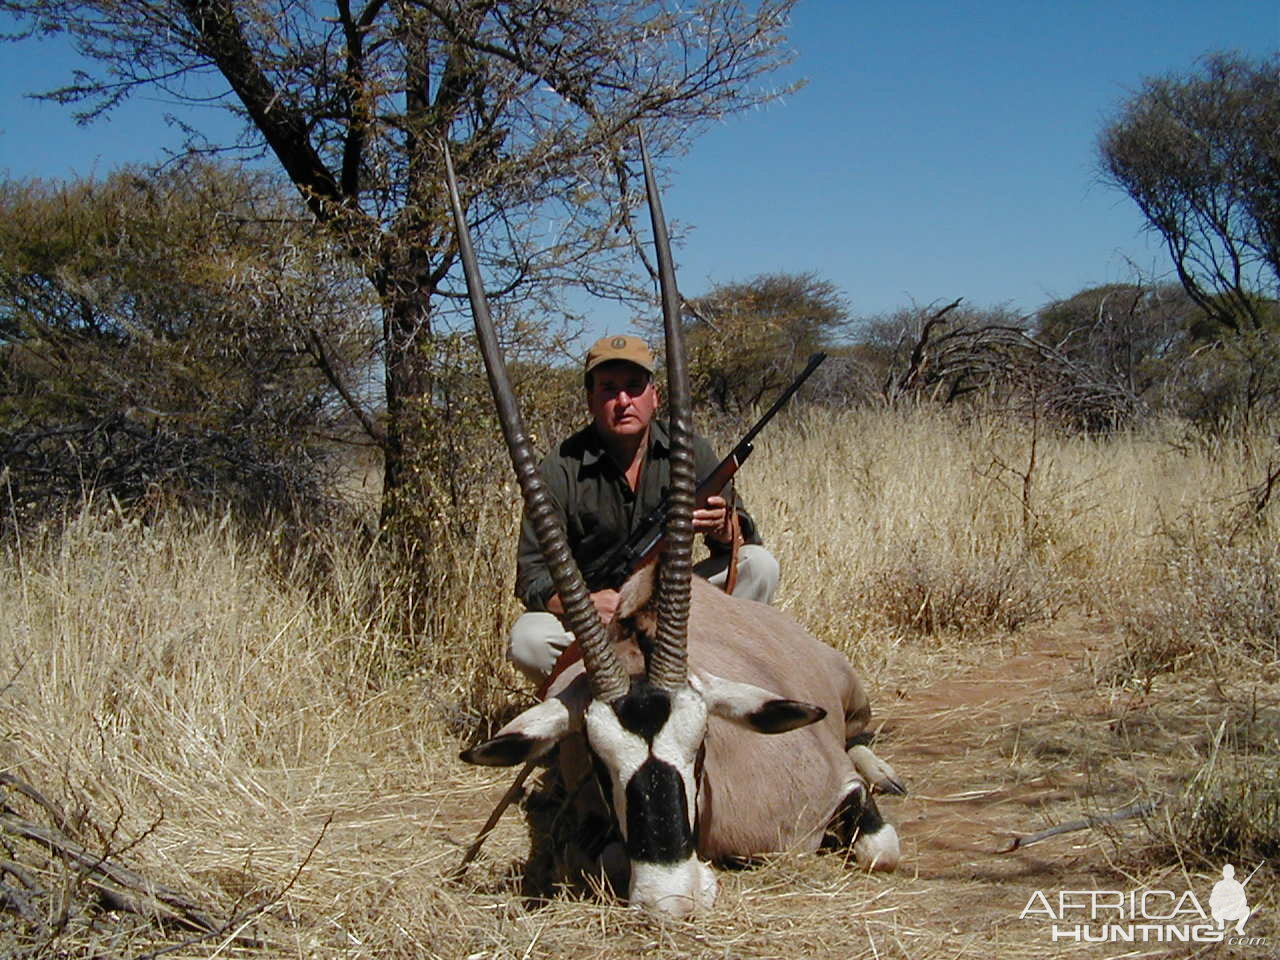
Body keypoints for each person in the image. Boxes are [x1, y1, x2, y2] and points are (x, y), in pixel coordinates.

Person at [508, 334, 780, 685]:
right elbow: (532, 577)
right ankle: (597, 688)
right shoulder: (559, 467)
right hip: (594, 616)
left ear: (655, 397)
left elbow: (743, 541)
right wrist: (584, 603)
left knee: (759, 565)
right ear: (591, 400)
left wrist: (726, 529)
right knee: (528, 640)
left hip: (672, 599)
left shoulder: (690, 450)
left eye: (634, 387)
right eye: (608, 388)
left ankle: (719, 678)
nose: (623, 401)